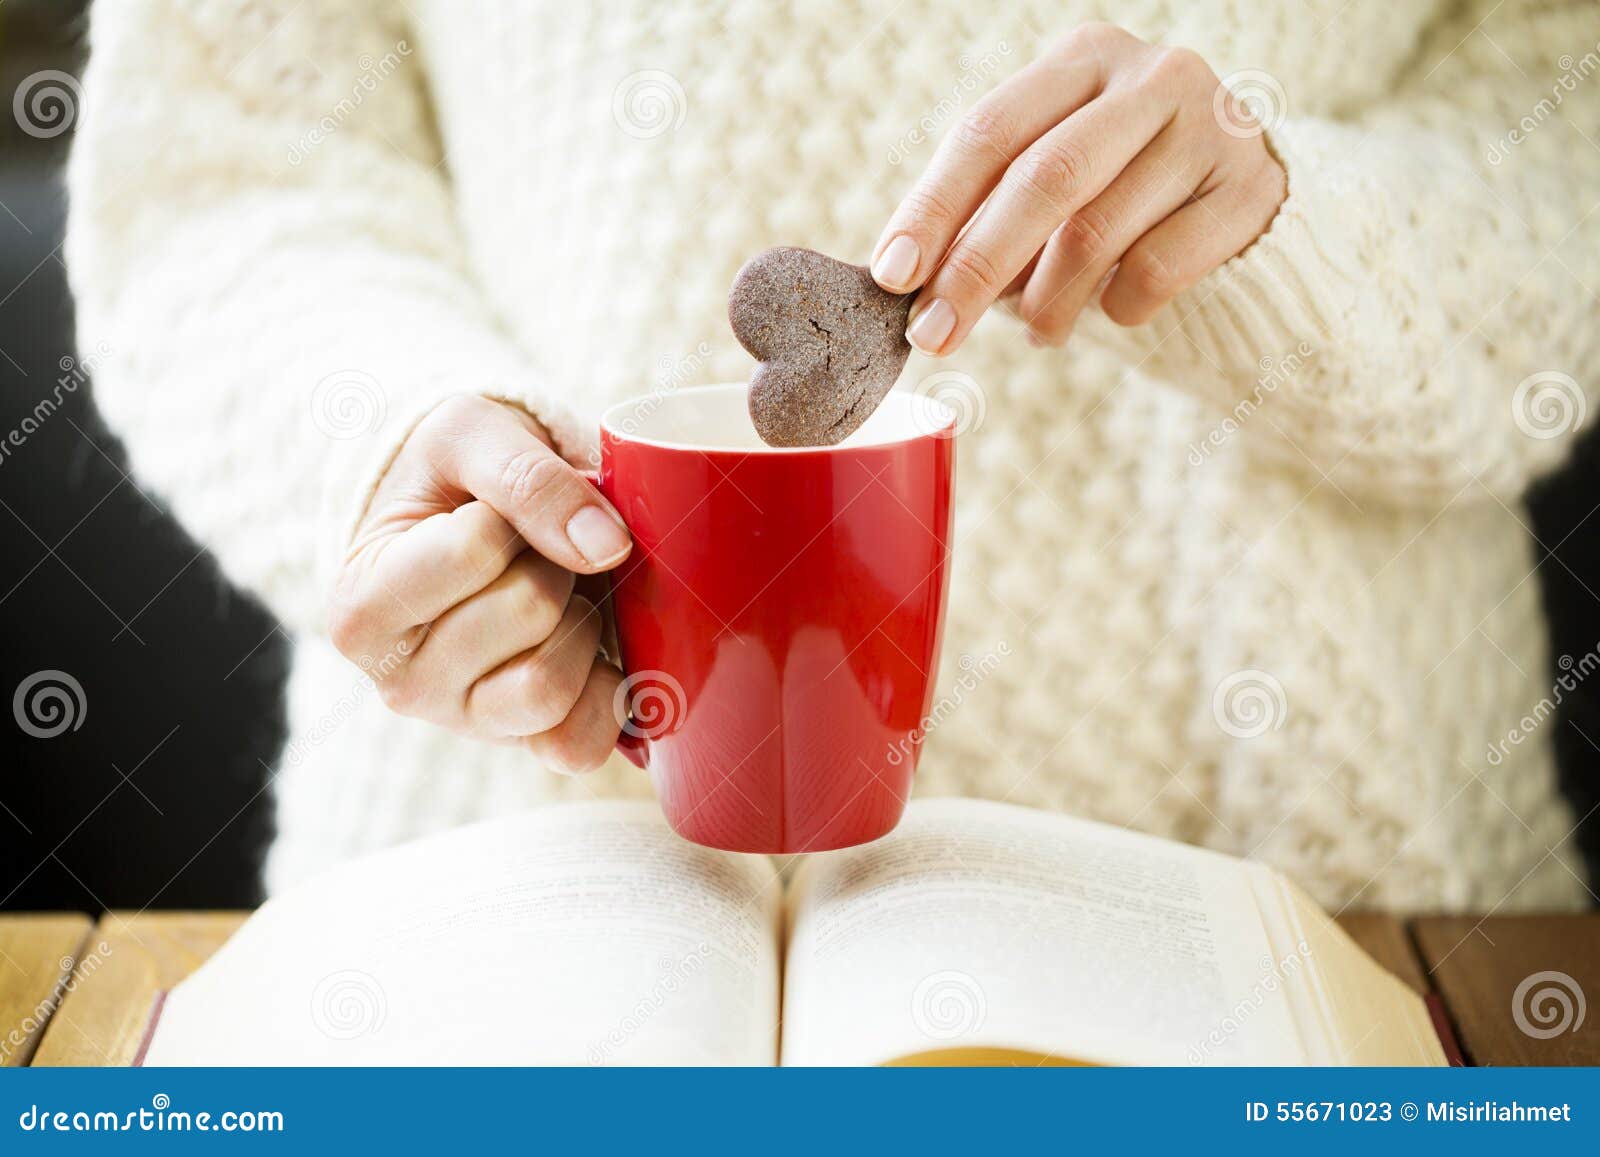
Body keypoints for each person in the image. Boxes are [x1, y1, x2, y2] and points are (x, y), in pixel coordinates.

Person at [67, 0, 1596, 908]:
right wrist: (403, 434)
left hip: (1344, 895)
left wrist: (1286, 230)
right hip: (531, 886)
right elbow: (222, 180)